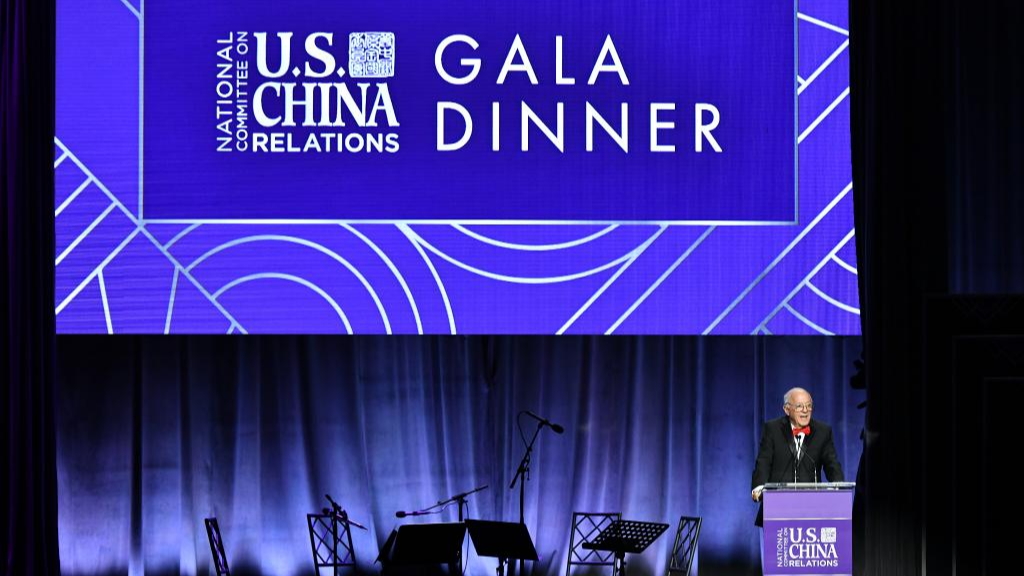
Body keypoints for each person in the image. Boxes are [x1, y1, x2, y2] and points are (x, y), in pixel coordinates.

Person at [750, 387, 844, 526]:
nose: (805, 410)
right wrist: (759, 487)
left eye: (809, 406)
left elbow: (832, 464)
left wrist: (840, 486)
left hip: (812, 509)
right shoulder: (772, 429)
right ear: (787, 409)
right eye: (799, 406)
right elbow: (764, 461)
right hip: (776, 509)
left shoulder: (822, 431)